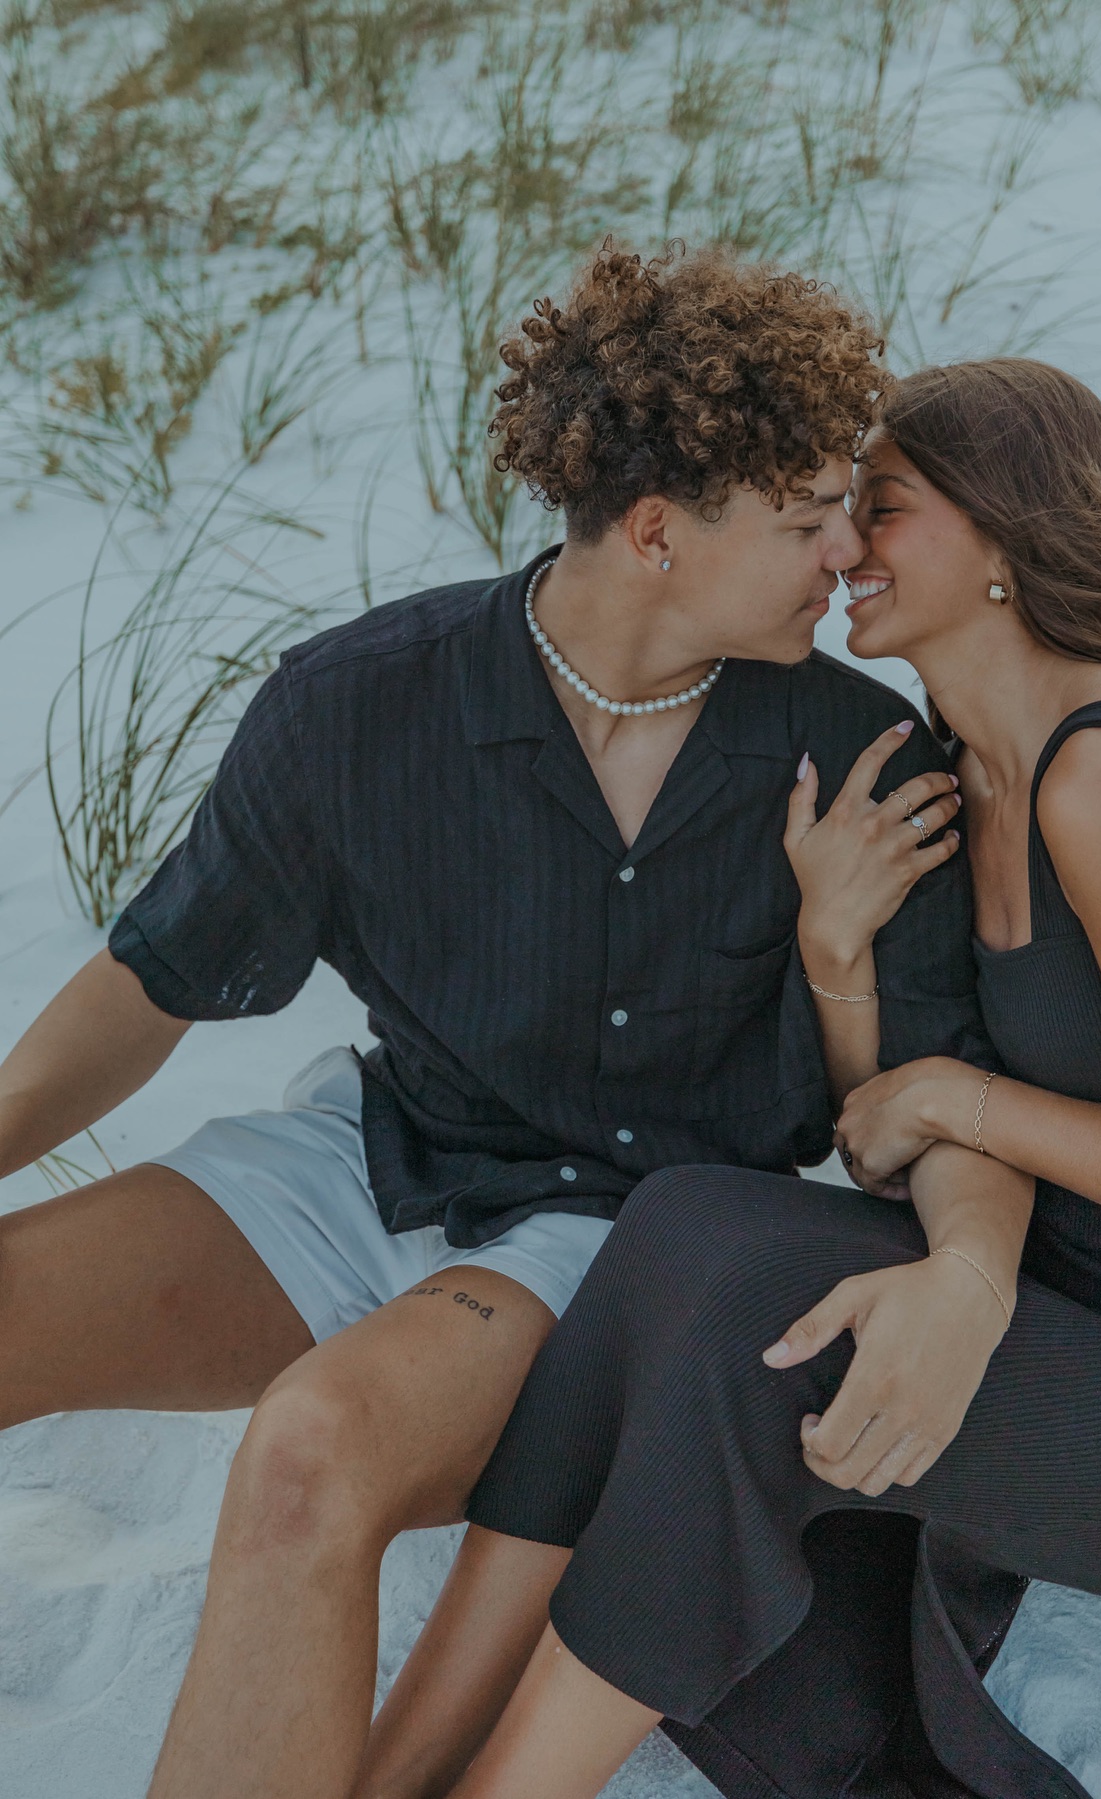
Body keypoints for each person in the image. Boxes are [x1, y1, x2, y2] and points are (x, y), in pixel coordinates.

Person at [0, 248, 989, 1799]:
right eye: (804, 523)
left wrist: (838, 958)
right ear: (659, 531)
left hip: (618, 1244)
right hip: (378, 1154)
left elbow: (906, 1120)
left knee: (311, 1452)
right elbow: (153, 980)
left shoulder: (856, 756)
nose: (843, 558)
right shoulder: (357, 707)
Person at [357, 359, 1101, 1799]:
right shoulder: (964, 772)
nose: (841, 551)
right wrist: (838, 948)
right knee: (686, 1226)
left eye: (881, 509)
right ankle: (399, 1766)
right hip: (1067, 1310)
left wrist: (961, 1110)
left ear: (1002, 540)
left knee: (755, 1339)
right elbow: (887, 1134)